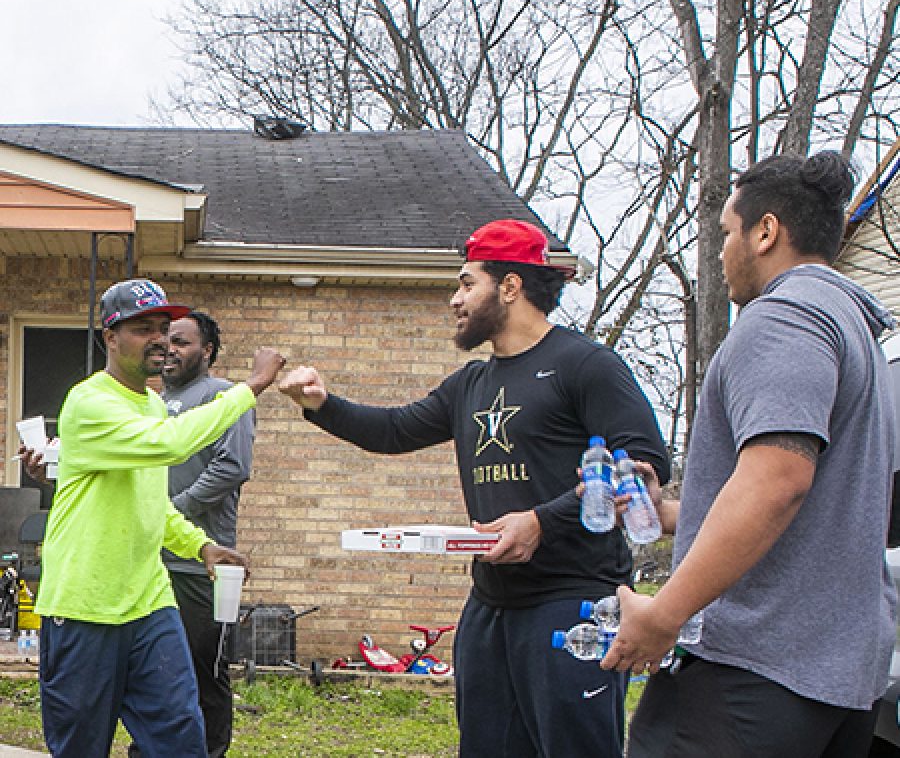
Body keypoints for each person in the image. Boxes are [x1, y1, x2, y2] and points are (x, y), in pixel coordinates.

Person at [279, 218, 670, 758]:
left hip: (572, 603)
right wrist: (322, 404)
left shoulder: (586, 366)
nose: (454, 299)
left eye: (467, 283)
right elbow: (394, 430)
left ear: (510, 286)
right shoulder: (472, 384)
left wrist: (541, 521)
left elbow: (645, 467)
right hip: (490, 607)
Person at [601, 152, 898, 757]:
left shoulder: (786, 318)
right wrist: (675, 515)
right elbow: (824, 503)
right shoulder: (856, 333)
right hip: (836, 681)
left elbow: (777, 482)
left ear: (766, 232)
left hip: (752, 675)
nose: (719, 252)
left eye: (727, 233)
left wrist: (666, 613)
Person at [20, 279, 284, 758]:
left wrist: (200, 545)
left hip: (148, 602)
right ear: (111, 336)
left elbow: (152, 502)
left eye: (163, 329)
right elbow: (173, 444)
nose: (159, 339)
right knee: (80, 747)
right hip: (85, 607)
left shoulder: (152, 403)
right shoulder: (89, 401)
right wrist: (252, 386)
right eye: (143, 329)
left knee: (180, 740)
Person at [128, 311, 255, 758]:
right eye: (166, 340)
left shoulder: (223, 397)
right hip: (149, 564)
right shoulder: (149, 402)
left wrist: (166, 514)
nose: (169, 349)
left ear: (208, 351)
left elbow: (231, 466)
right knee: (150, 672)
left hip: (202, 566)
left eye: (181, 341)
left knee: (205, 670)